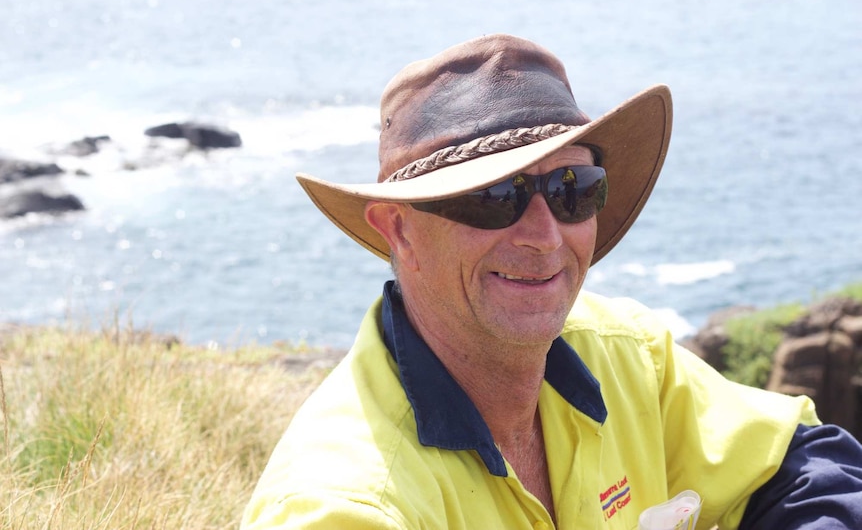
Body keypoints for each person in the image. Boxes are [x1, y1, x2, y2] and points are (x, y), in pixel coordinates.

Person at [242, 34, 862, 529]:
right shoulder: (347, 506)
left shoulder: (626, 354)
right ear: (399, 232)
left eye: (573, 191)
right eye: (493, 197)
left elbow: (805, 466)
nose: (543, 235)